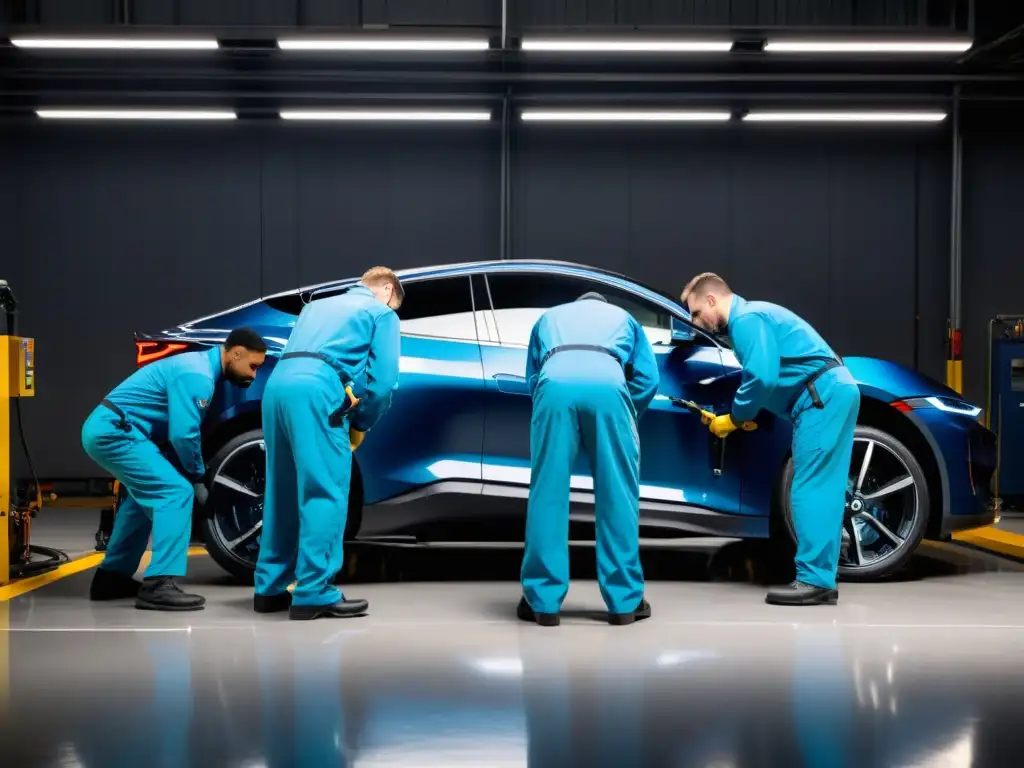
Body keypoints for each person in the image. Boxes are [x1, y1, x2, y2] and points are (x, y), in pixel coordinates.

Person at [681, 273, 860, 606]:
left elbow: (762, 376)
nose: (695, 323)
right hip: (831, 393)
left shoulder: (746, 320)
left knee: (809, 488)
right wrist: (750, 417)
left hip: (820, 398)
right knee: (826, 487)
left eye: (695, 313)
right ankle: (823, 572)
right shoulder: (754, 317)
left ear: (711, 300)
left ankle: (814, 581)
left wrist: (735, 419)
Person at [253, 266, 403, 621]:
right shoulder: (380, 313)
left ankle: (269, 587)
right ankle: (313, 592)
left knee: (282, 491)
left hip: (276, 389)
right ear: (385, 289)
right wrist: (361, 420)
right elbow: (382, 384)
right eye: (395, 303)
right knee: (325, 490)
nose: (392, 309)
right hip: (318, 391)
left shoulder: (314, 307)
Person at [83, 327, 268, 611]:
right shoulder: (198, 376)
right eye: (252, 366)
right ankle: (158, 585)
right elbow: (183, 435)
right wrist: (197, 476)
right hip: (115, 432)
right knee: (175, 493)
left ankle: (111, 578)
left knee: (140, 502)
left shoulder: (197, 367)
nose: (254, 375)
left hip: (114, 430)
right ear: (235, 353)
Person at [518, 291, 660, 627]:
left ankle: (543, 603)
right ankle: (624, 603)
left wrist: (551, 411)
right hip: (609, 388)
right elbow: (648, 380)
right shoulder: (625, 319)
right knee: (618, 496)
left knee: (547, 495)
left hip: (554, 388)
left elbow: (533, 378)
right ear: (603, 306)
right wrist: (626, 411)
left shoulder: (548, 316)